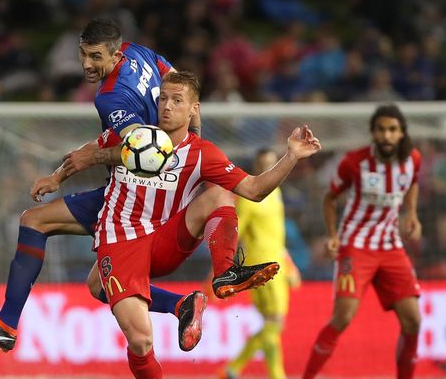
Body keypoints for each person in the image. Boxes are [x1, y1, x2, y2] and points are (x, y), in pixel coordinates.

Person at [0, 18, 279, 352]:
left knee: (134, 335)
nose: (86, 64)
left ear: (113, 53)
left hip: (134, 198)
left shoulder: (110, 98)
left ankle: (7, 324)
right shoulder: (140, 53)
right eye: (82, 54)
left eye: (94, 56)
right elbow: (182, 90)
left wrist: (95, 159)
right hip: (146, 188)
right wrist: (192, 142)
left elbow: (146, 152)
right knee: (93, 279)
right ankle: (183, 305)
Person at [80, 71, 320, 378]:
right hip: (124, 243)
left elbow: (254, 190)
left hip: (166, 242)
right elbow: (90, 152)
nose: (166, 106)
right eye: (163, 98)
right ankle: (183, 304)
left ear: (194, 108)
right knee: (123, 318)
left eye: (177, 101)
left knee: (220, 193)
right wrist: (58, 175)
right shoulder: (135, 136)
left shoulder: (203, 153)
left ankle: (226, 273)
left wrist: (291, 156)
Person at [302, 104, 422, 379]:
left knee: (413, 320)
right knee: (343, 317)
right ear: (373, 132)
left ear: (402, 133)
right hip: (355, 246)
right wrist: (333, 235)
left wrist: (412, 213)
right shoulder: (354, 162)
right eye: (381, 129)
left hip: (391, 247)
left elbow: (413, 181)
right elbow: (330, 198)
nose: (386, 136)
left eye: (392, 130)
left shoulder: (413, 159)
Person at [218, 148, 301, 379]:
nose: (270, 169)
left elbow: (276, 234)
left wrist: (289, 262)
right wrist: (223, 267)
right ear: (256, 167)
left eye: (274, 165)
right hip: (261, 267)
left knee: (271, 324)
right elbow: (235, 234)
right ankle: (274, 375)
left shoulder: (277, 192)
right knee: (275, 322)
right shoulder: (249, 198)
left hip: (277, 262)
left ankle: (232, 370)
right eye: (264, 164)